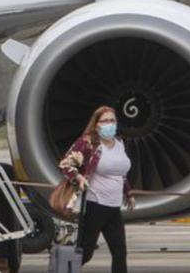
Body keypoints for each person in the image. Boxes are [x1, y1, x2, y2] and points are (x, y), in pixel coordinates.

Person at [59, 106, 133, 273]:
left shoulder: (119, 143)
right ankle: (61, 270)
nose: (109, 124)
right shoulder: (88, 143)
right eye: (105, 121)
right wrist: (78, 177)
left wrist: (128, 193)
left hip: (114, 207)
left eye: (112, 120)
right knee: (85, 253)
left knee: (120, 252)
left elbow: (120, 174)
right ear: (96, 124)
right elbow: (65, 164)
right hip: (95, 205)